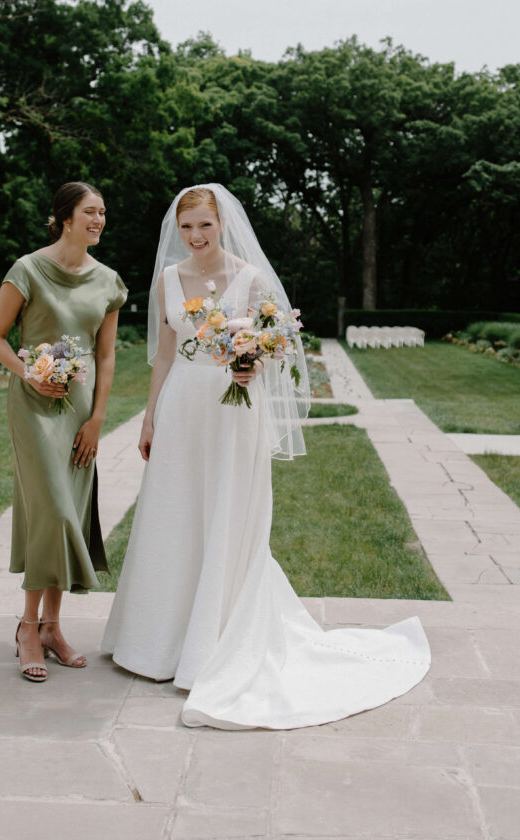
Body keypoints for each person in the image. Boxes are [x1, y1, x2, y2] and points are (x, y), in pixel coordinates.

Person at [102, 184, 430, 729]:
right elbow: (163, 354)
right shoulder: (167, 280)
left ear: (221, 223)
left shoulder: (251, 280)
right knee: (173, 515)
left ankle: (213, 642)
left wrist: (253, 362)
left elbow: (276, 349)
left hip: (234, 411)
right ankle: (156, 643)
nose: (196, 236)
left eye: (204, 225)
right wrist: (150, 415)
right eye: (187, 228)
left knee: (229, 515)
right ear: (176, 231)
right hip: (183, 407)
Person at [0, 182, 127, 682]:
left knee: (67, 507)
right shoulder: (27, 270)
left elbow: (106, 355)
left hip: (81, 409)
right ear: (65, 217)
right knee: (52, 510)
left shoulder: (109, 281)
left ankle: (52, 627)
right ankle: (28, 627)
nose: (99, 219)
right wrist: (29, 373)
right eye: (91, 211)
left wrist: (97, 420)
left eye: (103, 212)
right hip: (32, 405)